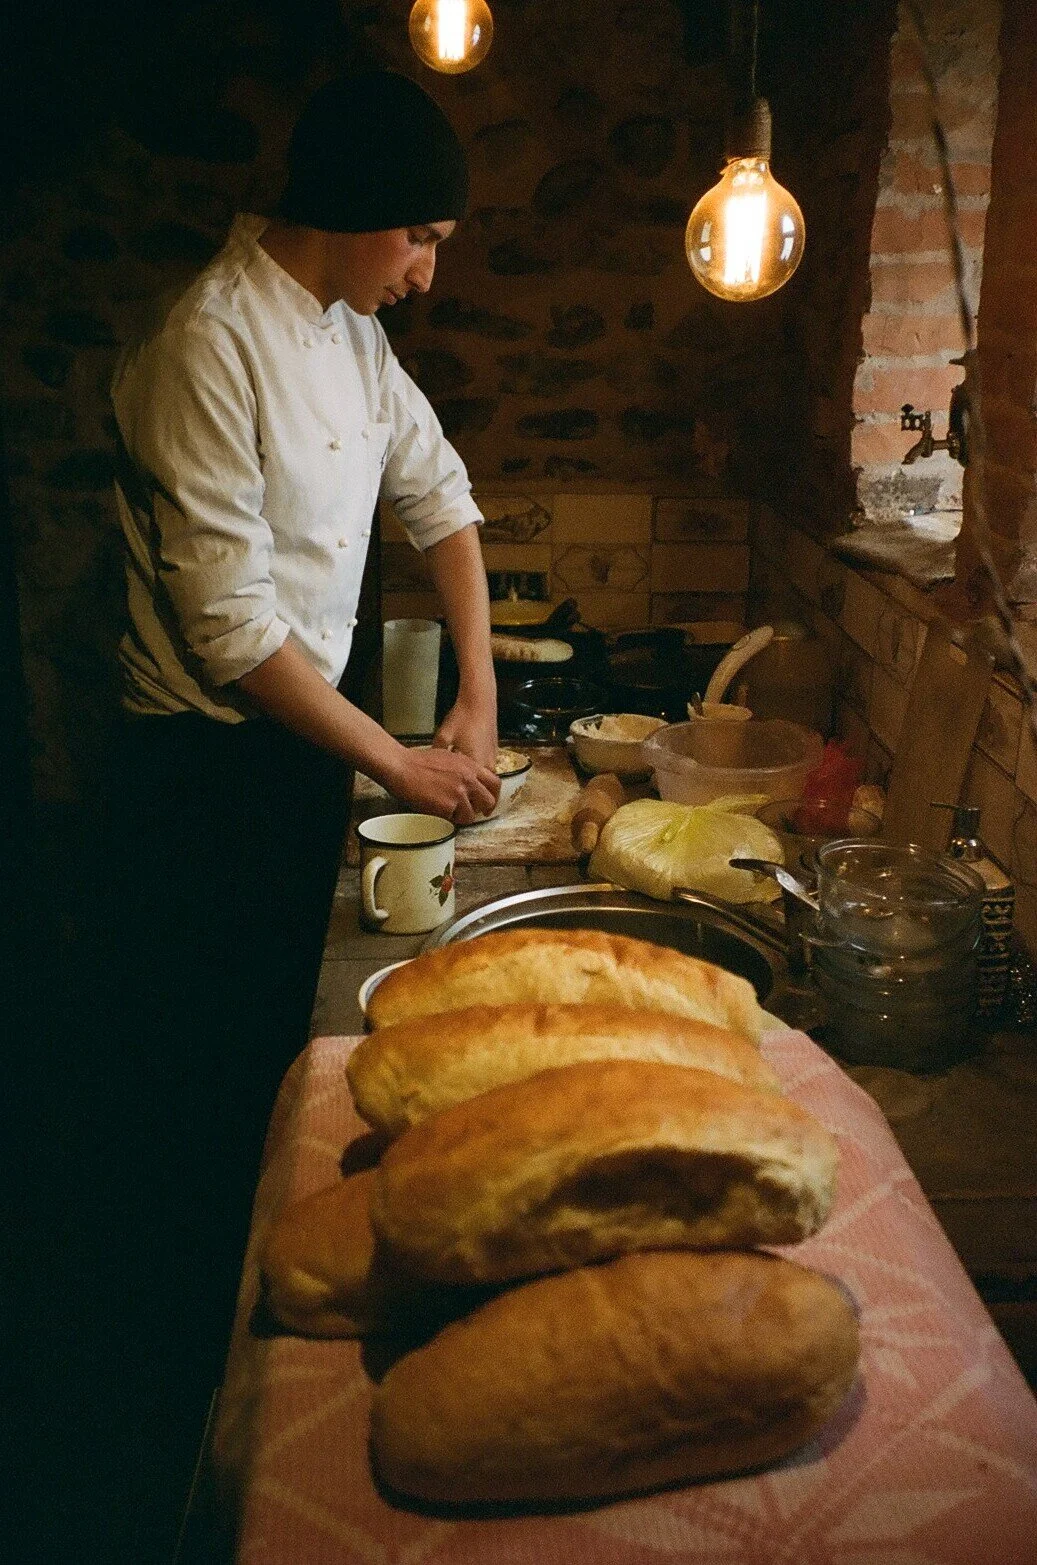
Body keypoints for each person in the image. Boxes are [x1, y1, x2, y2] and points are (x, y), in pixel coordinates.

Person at [96, 68, 500, 1547]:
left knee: (293, 1047)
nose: (428, 271)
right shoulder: (206, 348)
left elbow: (440, 497)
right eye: (423, 239)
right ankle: (186, 1405)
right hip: (202, 766)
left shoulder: (347, 330)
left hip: (302, 740)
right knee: (211, 1079)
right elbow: (230, 633)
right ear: (355, 219)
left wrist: (477, 701)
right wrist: (397, 765)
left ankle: (277, 1290)